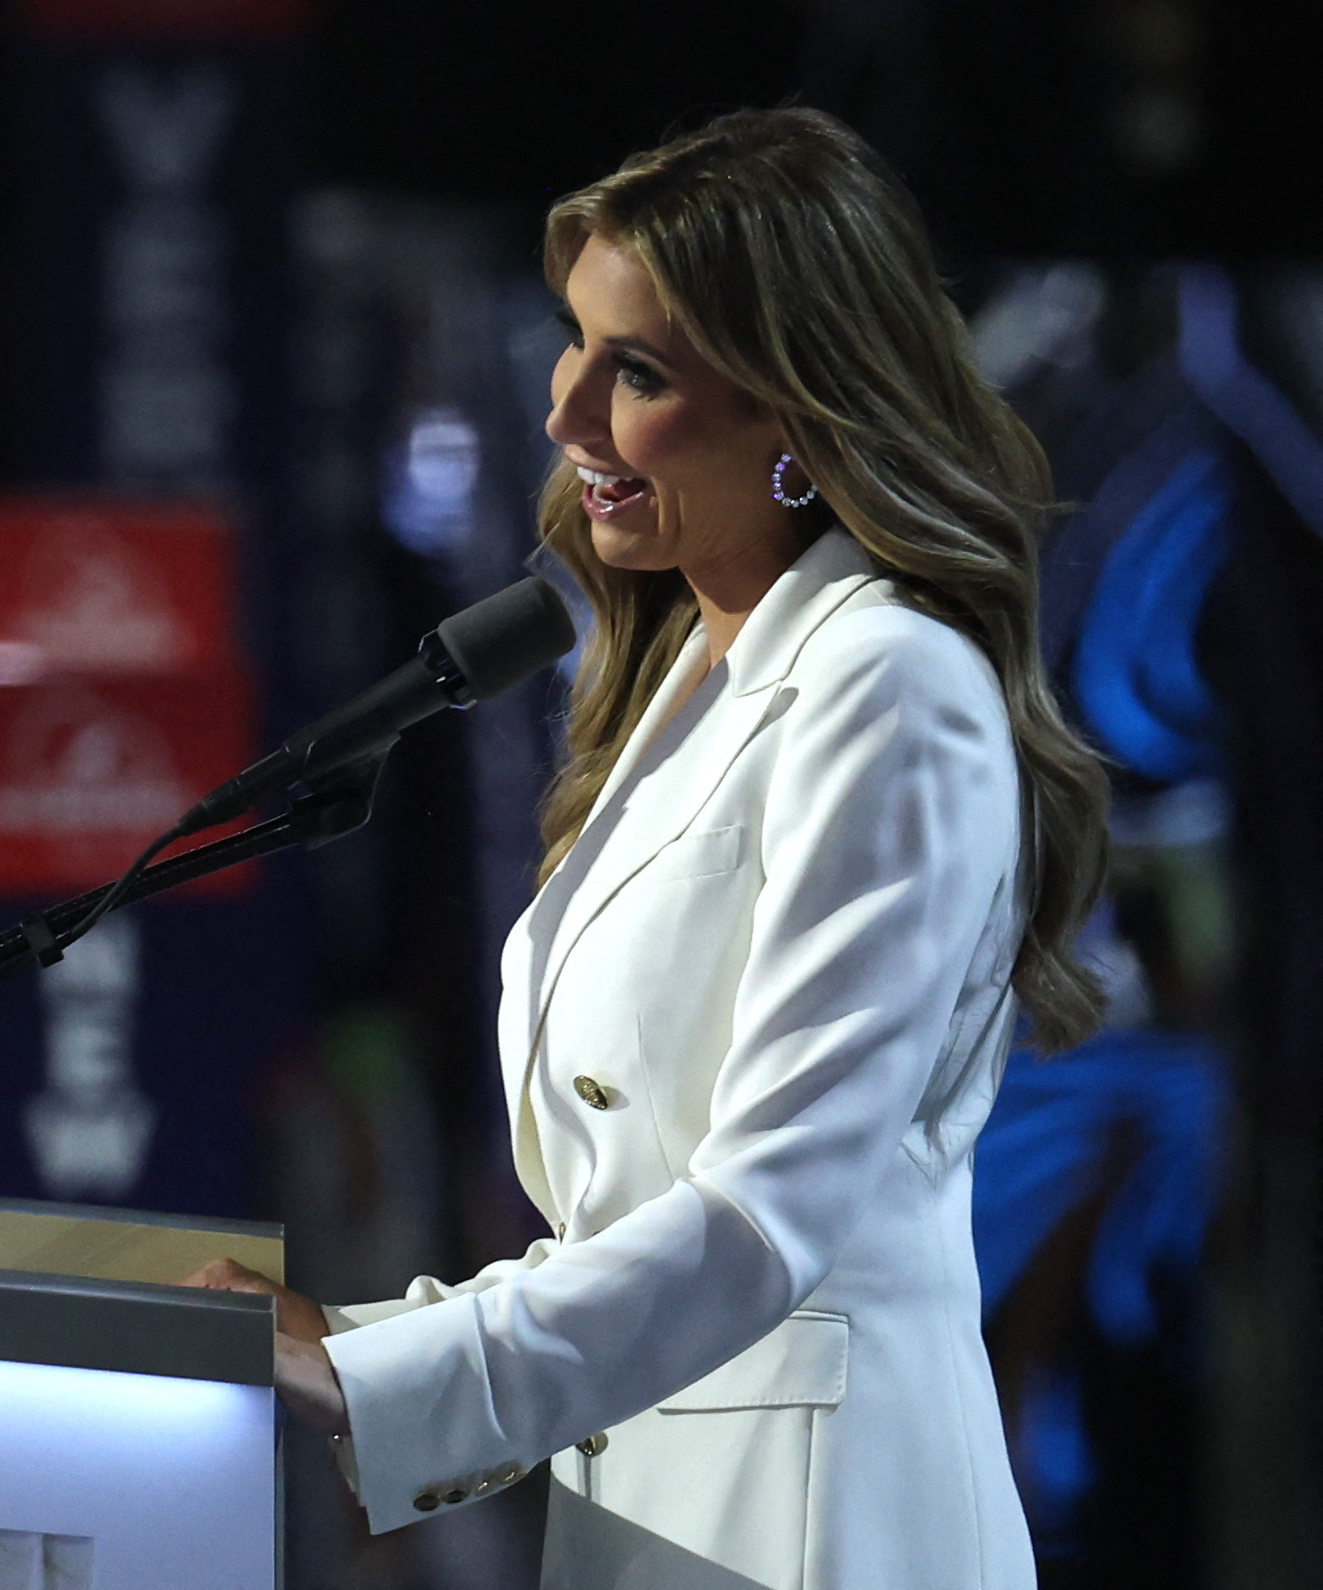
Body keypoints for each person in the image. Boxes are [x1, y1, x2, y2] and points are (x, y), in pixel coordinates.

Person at [186, 106, 1109, 1589]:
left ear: (798, 417)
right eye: (573, 344)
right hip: (663, 1503)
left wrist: (376, 1376)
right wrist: (351, 1340)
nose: (563, 417)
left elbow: (761, 1215)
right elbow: (632, 1209)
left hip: (816, 1524)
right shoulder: (695, 674)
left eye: (637, 371)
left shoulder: (888, 682)